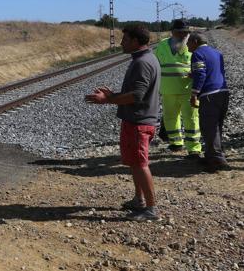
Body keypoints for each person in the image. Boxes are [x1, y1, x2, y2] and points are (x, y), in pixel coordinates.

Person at [85, 25, 160, 221]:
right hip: (136, 119)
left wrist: (107, 100)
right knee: (135, 162)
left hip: (139, 122)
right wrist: (114, 95)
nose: (121, 43)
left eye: (125, 39)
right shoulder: (144, 59)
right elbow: (135, 93)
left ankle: (151, 209)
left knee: (141, 163)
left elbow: (136, 96)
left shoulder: (142, 63)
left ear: (136, 41)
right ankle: (139, 200)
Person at [155, 19, 202, 157]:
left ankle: (194, 148)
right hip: (167, 90)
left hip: (188, 90)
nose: (182, 35)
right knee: (170, 117)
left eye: (185, 32)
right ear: (172, 32)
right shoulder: (162, 45)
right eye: (179, 32)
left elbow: (200, 65)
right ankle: (176, 143)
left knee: (191, 118)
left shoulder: (193, 45)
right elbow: (156, 64)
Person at [186, 32, 230, 172]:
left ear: (195, 41)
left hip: (209, 95)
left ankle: (216, 161)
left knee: (209, 127)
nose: (186, 45)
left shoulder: (198, 53)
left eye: (188, 42)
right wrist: (193, 74)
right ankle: (214, 154)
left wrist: (194, 94)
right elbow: (213, 71)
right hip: (223, 92)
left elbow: (201, 74)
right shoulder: (217, 53)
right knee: (217, 126)